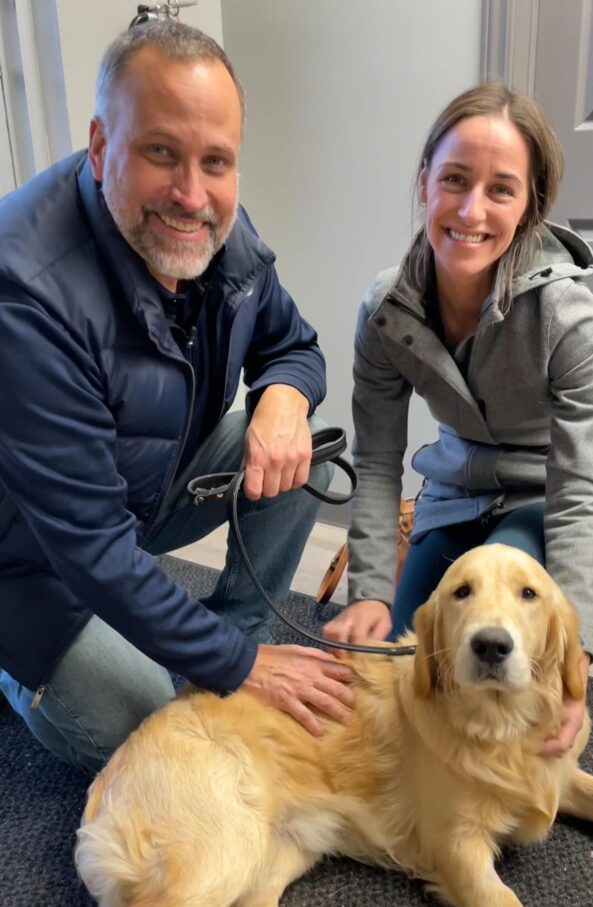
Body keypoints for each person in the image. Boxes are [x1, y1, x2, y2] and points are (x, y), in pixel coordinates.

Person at [0, 20, 355, 774]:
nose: (192, 195)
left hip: (134, 502)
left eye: (215, 161)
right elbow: (91, 548)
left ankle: (235, 639)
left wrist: (284, 400)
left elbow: (295, 347)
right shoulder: (24, 294)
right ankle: (21, 670)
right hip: (28, 560)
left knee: (307, 451)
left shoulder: (220, 233)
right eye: (160, 152)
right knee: (152, 733)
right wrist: (242, 671)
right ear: (101, 146)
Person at [324, 83, 593, 756]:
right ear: (424, 181)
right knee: (405, 664)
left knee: (499, 643)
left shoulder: (575, 324)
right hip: (455, 492)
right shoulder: (385, 312)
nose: (471, 210)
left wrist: (575, 654)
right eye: (455, 180)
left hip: (548, 495)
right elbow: (377, 462)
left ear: (529, 207)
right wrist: (369, 592)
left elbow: (579, 492)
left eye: (501, 190)